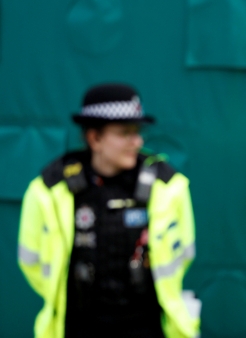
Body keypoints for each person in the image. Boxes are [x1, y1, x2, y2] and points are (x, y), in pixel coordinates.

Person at [18, 83, 198, 338]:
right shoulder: (49, 189)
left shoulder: (167, 187)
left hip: (147, 327)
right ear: (95, 138)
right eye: (125, 133)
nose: (137, 141)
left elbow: (183, 255)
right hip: (79, 326)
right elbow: (31, 262)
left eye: (138, 132)